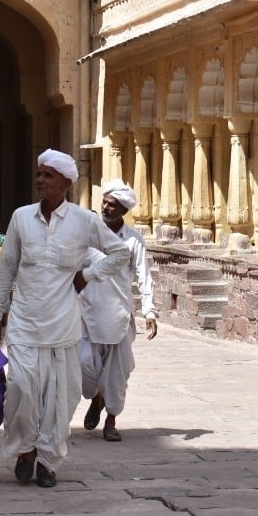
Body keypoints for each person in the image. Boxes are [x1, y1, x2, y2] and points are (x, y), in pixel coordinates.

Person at [0, 149, 130, 489]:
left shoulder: (84, 220)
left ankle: (48, 460)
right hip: (24, 320)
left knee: (60, 398)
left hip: (64, 324)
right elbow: (7, 267)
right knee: (21, 387)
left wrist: (89, 274)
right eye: (39, 173)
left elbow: (120, 253)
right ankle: (24, 449)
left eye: (48, 175)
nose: (40, 180)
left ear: (65, 182)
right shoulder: (21, 217)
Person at [79, 178, 158, 442]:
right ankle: (97, 397)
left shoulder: (133, 240)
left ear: (124, 210)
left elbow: (144, 276)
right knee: (83, 366)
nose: (106, 207)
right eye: (104, 201)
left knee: (117, 374)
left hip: (119, 315)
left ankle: (111, 419)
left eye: (113, 205)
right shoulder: (88, 234)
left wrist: (149, 312)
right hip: (87, 313)